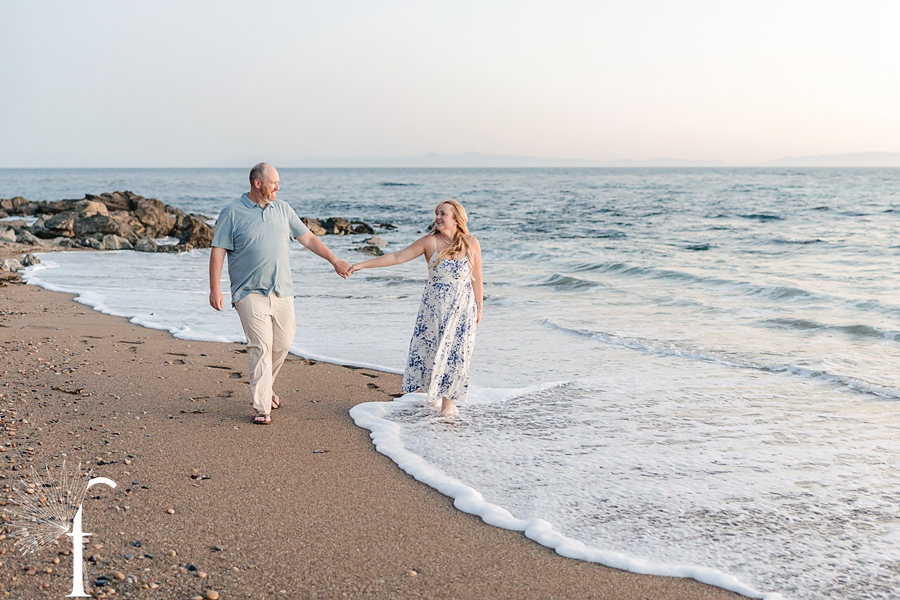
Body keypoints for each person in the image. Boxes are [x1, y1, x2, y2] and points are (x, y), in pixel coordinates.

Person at [209, 163, 352, 424]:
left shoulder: (283, 209)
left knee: (284, 343)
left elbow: (308, 239)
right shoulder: (231, 213)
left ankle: (265, 386)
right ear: (257, 183)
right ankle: (262, 407)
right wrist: (215, 288)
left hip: (282, 290)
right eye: (273, 182)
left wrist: (334, 260)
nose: (278, 186)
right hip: (248, 291)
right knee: (261, 346)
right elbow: (218, 250)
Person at [349, 200, 483, 417]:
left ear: (456, 219)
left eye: (443, 214)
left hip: (462, 310)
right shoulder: (430, 242)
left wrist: (479, 306)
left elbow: (477, 277)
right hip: (434, 310)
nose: (438, 217)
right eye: (437, 213)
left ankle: (447, 409)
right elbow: (396, 257)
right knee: (433, 353)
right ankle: (434, 398)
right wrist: (361, 265)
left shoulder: (471, 243)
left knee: (457, 356)